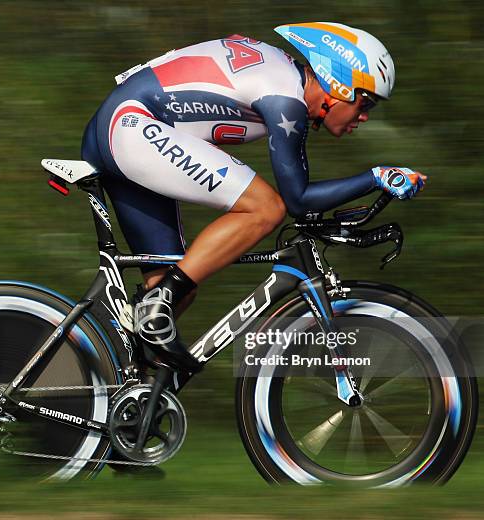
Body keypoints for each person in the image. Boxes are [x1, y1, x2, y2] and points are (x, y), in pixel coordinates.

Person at [81, 22, 427, 372]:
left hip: (124, 125)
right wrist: (377, 177)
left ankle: (109, 390)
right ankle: (155, 308)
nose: (365, 116)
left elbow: (304, 202)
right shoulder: (285, 100)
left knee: (174, 287)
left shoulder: (283, 79)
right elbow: (298, 200)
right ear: (338, 85)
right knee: (265, 208)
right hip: (130, 125)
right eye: (364, 102)